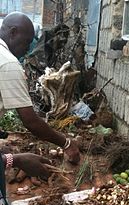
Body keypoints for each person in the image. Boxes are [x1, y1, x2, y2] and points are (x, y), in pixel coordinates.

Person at [0, 12, 80, 164]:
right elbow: (30, 121)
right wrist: (67, 143)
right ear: (13, 33)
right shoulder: (8, 63)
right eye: (27, 42)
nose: (28, 49)